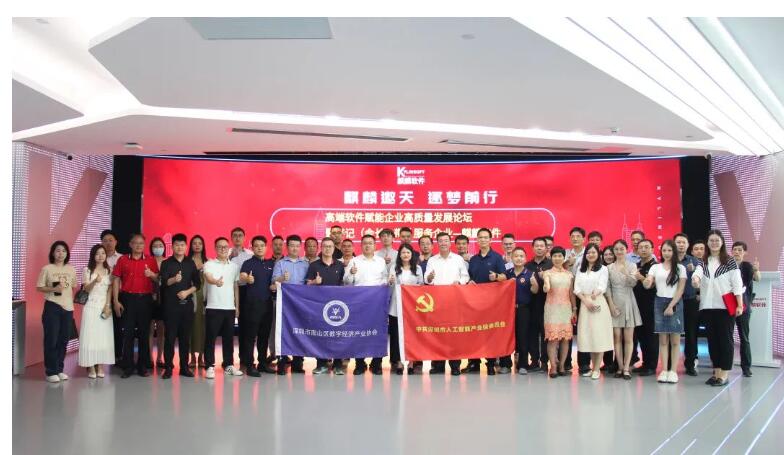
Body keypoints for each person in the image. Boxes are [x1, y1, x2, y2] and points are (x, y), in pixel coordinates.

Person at [693, 230, 744, 387]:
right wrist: (695, 279)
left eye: (717, 240)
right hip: (707, 306)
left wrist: (739, 304)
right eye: (711, 240)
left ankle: (724, 374)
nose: (714, 243)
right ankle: (716, 372)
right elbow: (697, 273)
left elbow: (737, 283)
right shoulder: (703, 261)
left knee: (725, 341)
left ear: (722, 242)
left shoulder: (729, 261)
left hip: (725, 307)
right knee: (712, 341)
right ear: (707, 243)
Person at [112, 234, 159, 378]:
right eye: (135, 243)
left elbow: (158, 279)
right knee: (128, 334)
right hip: (128, 299)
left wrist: (151, 275)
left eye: (141, 243)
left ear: (144, 245)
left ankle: (142, 366)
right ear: (130, 244)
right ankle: (128, 366)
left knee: (144, 334)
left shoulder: (150, 260)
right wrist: (115, 300)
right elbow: (116, 280)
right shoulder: (123, 259)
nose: (138, 246)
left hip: (145, 300)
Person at [425, 232, 470, 376]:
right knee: (437, 333)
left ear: (450, 243)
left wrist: (460, 282)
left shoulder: (458, 259)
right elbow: (427, 279)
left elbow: (465, 276)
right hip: (437, 301)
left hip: (455, 300)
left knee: (454, 334)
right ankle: (437, 365)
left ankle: (455, 365)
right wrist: (429, 278)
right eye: (441, 241)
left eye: (446, 240)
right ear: (437, 243)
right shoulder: (432, 260)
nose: (443, 243)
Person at [344, 234, 389, 375]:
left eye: (370, 243)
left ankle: (376, 363)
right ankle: (359, 363)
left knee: (378, 332)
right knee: (359, 333)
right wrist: (351, 273)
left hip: (377, 303)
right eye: (365, 243)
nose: (367, 245)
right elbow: (346, 281)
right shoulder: (354, 261)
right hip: (359, 303)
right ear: (361, 245)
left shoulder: (380, 261)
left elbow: (385, 279)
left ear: (375, 246)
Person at [466, 228, 509, 374]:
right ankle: (474, 363)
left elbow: (505, 277)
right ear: (477, 240)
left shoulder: (497, 258)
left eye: (486, 237)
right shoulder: (473, 260)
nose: (483, 240)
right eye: (480, 237)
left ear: (490, 240)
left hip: (492, 303)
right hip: (474, 303)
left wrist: (496, 276)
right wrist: (470, 281)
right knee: (474, 333)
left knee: (490, 333)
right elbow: (469, 278)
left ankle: (490, 363)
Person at [643, 240, 687, 383]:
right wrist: (646, 281)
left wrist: (671, 306)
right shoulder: (655, 267)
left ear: (674, 252)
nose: (666, 253)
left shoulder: (680, 268)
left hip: (675, 302)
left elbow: (680, 289)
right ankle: (664, 370)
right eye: (664, 251)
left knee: (675, 340)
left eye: (669, 250)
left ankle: (673, 371)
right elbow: (648, 282)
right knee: (662, 340)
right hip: (659, 302)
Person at [158, 234, 201, 379]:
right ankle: (168, 368)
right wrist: (174, 280)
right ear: (172, 246)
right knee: (169, 338)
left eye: (182, 245)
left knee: (185, 338)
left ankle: (184, 367)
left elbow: (197, 284)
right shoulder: (166, 263)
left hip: (186, 306)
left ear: (186, 246)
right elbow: (163, 283)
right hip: (170, 306)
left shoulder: (190, 263)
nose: (180, 247)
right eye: (177, 245)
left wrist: (187, 292)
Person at [203, 237, 243, 379]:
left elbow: (235, 287)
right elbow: (208, 278)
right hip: (213, 307)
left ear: (229, 248)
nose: (223, 249)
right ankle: (209, 366)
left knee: (228, 339)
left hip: (229, 308)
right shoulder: (209, 264)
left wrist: (237, 306)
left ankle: (228, 365)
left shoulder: (234, 267)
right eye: (220, 247)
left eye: (225, 247)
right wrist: (216, 282)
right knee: (210, 338)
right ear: (215, 248)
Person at [37, 241, 77, 383]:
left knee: (64, 340)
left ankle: (59, 369)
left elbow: (73, 286)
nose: (61, 253)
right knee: (51, 339)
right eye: (58, 250)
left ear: (67, 253)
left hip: (68, 308)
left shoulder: (71, 269)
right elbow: (39, 287)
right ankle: (51, 371)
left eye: (64, 251)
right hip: (52, 307)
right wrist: (53, 289)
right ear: (53, 253)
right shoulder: (47, 269)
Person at [306, 238, 346, 375]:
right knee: (321, 335)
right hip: (319, 306)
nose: (328, 249)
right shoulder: (314, 265)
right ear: (321, 248)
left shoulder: (340, 265)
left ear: (334, 249)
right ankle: (321, 364)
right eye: (325, 246)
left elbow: (344, 284)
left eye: (330, 246)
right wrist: (314, 282)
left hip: (337, 306)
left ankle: (338, 365)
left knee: (338, 336)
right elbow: (306, 285)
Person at [573, 244, 613, 379]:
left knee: (598, 336)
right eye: (588, 252)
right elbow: (577, 288)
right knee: (588, 336)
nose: (591, 255)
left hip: (598, 302)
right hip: (585, 304)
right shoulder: (581, 269)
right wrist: (586, 301)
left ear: (598, 254)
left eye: (593, 252)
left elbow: (602, 286)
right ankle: (591, 367)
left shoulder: (603, 269)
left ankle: (596, 369)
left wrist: (594, 296)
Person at [239, 235, 277, 377]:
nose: (259, 248)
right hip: (252, 305)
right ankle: (249, 365)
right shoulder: (248, 263)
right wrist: (247, 278)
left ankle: (262, 363)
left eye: (262, 245)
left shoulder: (271, 264)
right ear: (252, 248)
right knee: (250, 336)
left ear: (266, 247)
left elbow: (274, 281)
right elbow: (242, 275)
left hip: (267, 304)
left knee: (264, 336)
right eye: (256, 246)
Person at [272, 235, 310, 374]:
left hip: (300, 304)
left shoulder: (305, 264)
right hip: (284, 304)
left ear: (300, 247)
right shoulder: (280, 263)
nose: (294, 248)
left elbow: (308, 283)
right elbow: (273, 282)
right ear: (287, 247)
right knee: (283, 332)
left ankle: (297, 364)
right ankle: (281, 363)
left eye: (297, 246)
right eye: (292, 245)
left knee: (300, 332)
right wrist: (282, 278)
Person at [78, 244, 114, 379]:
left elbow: (110, 289)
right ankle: (91, 366)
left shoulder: (109, 270)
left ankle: (100, 366)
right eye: (97, 253)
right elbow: (86, 289)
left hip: (104, 306)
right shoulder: (87, 270)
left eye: (103, 253)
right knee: (91, 336)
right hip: (91, 306)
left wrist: (108, 305)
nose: (100, 256)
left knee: (103, 337)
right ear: (93, 255)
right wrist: (94, 281)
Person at [608, 240, 642, 380]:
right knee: (617, 337)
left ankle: (627, 367)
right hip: (615, 302)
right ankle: (620, 367)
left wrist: (626, 273)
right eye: (616, 249)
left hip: (628, 300)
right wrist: (611, 305)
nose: (619, 251)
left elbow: (633, 283)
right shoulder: (609, 267)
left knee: (628, 338)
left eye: (621, 249)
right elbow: (607, 288)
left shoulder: (632, 265)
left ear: (626, 250)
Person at [390, 243, 424, 375]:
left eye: (408, 252)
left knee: (413, 335)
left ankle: (411, 362)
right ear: (399, 255)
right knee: (396, 335)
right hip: (396, 306)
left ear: (412, 254)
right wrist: (391, 282)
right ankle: (398, 362)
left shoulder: (418, 268)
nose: (405, 255)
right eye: (403, 252)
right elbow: (390, 285)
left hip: (413, 307)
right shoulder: (394, 268)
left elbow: (421, 285)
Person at [542, 247, 575, 378]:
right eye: (555, 256)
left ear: (563, 257)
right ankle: (553, 366)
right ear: (551, 257)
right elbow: (546, 286)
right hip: (552, 309)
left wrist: (574, 309)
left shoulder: (569, 274)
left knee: (565, 339)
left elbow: (571, 293)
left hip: (566, 309)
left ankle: (561, 365)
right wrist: (546, 286)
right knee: (553, 339)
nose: (557, 258)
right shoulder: (547, 273)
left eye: (560, 256)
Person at [505, 247, 539, 375]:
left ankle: (523, 364)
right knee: (507, 336)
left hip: (523, 310)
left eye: (521, 256)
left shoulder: (530, 273)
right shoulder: (507, 273)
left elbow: (535, 291)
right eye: (516, 256)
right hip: (508, 310)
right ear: (511, 258)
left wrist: (534, 284)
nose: (519, 258)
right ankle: (505, 364)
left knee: (523, 336)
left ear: (525, 258)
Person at [674, 233, 702, 376]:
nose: (681, 245)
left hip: (690, 301)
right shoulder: (669, 260)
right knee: (671, 334)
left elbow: (701, 280)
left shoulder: (694, 261)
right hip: (672, 301)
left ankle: (690, 364)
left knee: (691, 334)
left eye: (683, 242)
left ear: (688, 245)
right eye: (678, 242)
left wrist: (698, 293)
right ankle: (670, 365)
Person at [731, 241, 760, 377]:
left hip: (744, 306)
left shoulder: (747, 266)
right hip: (728, 305)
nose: (737, 252)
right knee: (727, 337)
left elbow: (757, 278)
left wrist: (756, 269)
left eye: (740, 250)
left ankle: (746, 367)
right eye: (735, 249)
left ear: (745, 252)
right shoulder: (727, 265)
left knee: (744, 337)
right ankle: (724, 365)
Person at [524, 237, 553, 372]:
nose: (539, 248)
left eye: (542, 246)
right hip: (531, 305)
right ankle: (534, 361)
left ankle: (544, 362)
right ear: (533, 248)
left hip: (548, 305)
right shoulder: (527, 266)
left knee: (546, 334)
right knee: (532, 334)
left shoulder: (551, 265)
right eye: (537, 246)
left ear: (546, 248)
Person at [564, 227, 590, 374]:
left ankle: (584, 363)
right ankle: (566, 362)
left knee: (583, 330)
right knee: (567, 329)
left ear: (583, 238)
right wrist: (568, 263)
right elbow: (560, 270)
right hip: (566, 295)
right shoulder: (565, 253)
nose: (575, 239)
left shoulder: (589, 253)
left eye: (578, 236)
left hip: (584, 296)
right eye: (572, 236)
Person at [632, 239, 658, 376]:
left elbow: (652, 285)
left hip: (650, 305)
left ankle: (651, 365)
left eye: (646, 247)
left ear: (652, 249)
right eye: (641, 247)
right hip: (637, 305)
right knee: (641, 335)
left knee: (650, 336)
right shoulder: (636, 265)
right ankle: (645, 363)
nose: (643, 249)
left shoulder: (655, 266)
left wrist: (641, 277)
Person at [229, 228, 253, 368]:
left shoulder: (250, 254)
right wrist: (229, 257)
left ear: (244, 238)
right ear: (231, 238)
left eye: (240, 236)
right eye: (235, 236)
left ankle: (244, 357)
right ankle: (228, 360)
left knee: (245, 325)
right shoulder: (227, 253)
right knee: (228, 327)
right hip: (228, 291)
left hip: (245, 290)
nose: (237, 238)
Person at [101, 230, 124, 362]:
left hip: (118, 295)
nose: (108, 243)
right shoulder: (98, 258)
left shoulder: (122, 258)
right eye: (105, 241)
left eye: (111, 240)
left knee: (117, 326)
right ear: (101, 243)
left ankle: (117, 355)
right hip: (101, 296)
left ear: (116, 242)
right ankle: (102, 354)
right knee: (102, 324)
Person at [188, 234, 208, 369]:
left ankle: (201, 356)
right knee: (190, 327)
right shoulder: (186, 261)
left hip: (204, 297)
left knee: (203, 327)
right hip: (190, 295)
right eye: (194, 243)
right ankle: (192, 357)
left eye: (199, 243)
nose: (197, 245)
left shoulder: (208, 262)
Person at [149, 237, 167, 369]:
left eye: (160, 245)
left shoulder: (167, 262)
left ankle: (160, 358)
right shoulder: (147, 261)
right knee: (149, 329)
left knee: (161, 330)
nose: (158, 248)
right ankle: (149, 358)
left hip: (164, 299)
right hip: (149, 299)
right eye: (155, 246)